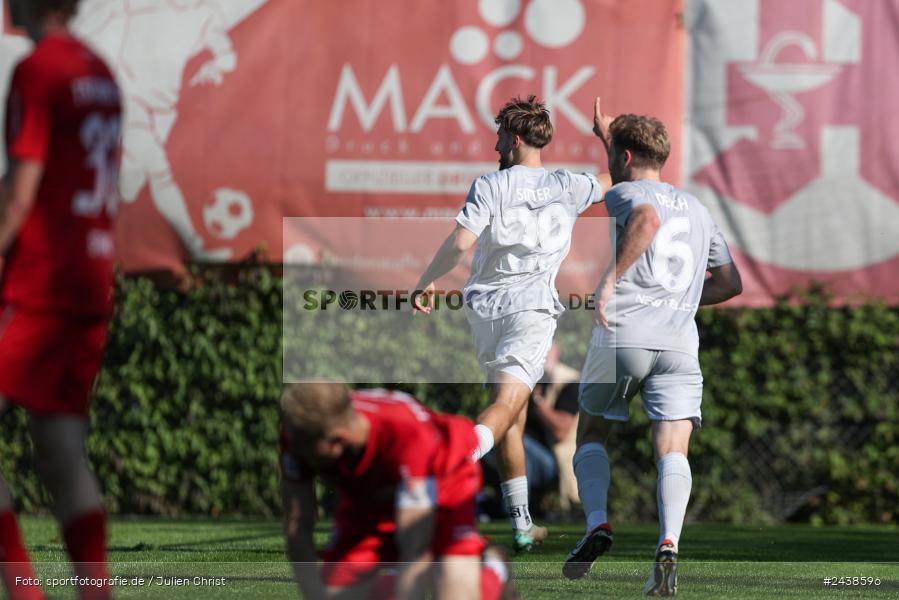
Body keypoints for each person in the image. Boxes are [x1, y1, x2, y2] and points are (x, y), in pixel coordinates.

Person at [413, 95, 611, 552]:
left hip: (484, 309)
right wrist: (605, 139)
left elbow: (461, 243)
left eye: (500, 135)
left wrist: (427, 280)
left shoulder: (490, 185)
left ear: (515, 138)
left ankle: (522, 523)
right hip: (531, 309)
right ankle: (453, 463)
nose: (495, 144)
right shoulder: (568, 184)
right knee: (505, 404)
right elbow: (616, 176)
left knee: (512, 413)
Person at [562, 103, 742, 596]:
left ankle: (597, 522)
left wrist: (610, 280)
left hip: (625, 334)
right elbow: (730, 282)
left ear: (623, 157)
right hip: (680, 344)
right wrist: (680, 296)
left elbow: (644, 218)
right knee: (672, 447)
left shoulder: (626, 191)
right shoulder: (699, 208)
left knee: (592, 431)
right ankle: (668, 543)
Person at [0, 1, 122, 599]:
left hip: (40, 280)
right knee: (59, 448)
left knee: (59, 447)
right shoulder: (98, 71)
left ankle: (21, 587)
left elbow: (22, 191)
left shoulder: (38, 70)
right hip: (89, 278)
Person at [280, 383, 516, 600]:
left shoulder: (406, 435)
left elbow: (416, 548)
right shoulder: (299, 433)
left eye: (302, 446)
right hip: (371, 494)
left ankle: (494, 568)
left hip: (447, 478)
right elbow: (296, 524)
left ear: (337, 441)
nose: (294, 450)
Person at [480, 344, 580, 519]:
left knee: (514, 438)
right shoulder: (522, 377)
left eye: (546, 350)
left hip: (554, 462)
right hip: (527, 454)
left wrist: (536, 398)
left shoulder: (570, 382)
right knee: (496, 442)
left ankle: (515, 513)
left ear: (557, 352)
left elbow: (560, 431)